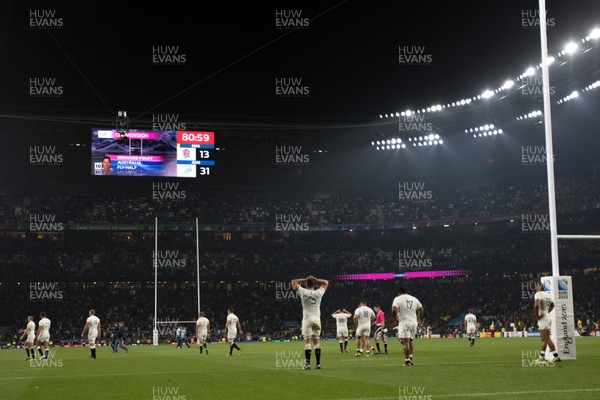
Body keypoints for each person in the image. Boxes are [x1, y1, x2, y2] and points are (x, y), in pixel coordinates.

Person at [291, 274, 329, 370]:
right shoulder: (319, 292)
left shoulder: (303, 291)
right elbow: (326, 282)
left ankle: (307, 364)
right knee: (316, 341)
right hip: (317, 319)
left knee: (307, 341)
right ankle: (318, 364)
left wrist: (305, 279)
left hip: (307, 319)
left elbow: (293, 282)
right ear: (314, 284)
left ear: (306, 284)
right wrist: (315, 279)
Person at [392, 287, 424, 366]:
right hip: (413, 322)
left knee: (405, 342)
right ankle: (410, 358)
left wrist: (395, 318)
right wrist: (418, 319)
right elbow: (421, 309)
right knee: (410, 341)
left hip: (404, 322)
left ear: (399, 293)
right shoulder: (414, 298)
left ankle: (407, 361)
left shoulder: (397, 298)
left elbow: (393, 309)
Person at [534, 283, 560, 362]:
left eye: (536, 286)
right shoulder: (547, 295)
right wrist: (547, 312)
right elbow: (552, 304)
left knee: (547, 338)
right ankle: (542, 357)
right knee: (543, 338)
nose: (535, 288)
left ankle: (556, 357)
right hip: (547, 317)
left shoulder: (538, 294)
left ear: (539, 287)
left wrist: (537, 316)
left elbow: (536, 305)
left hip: (543, 318)